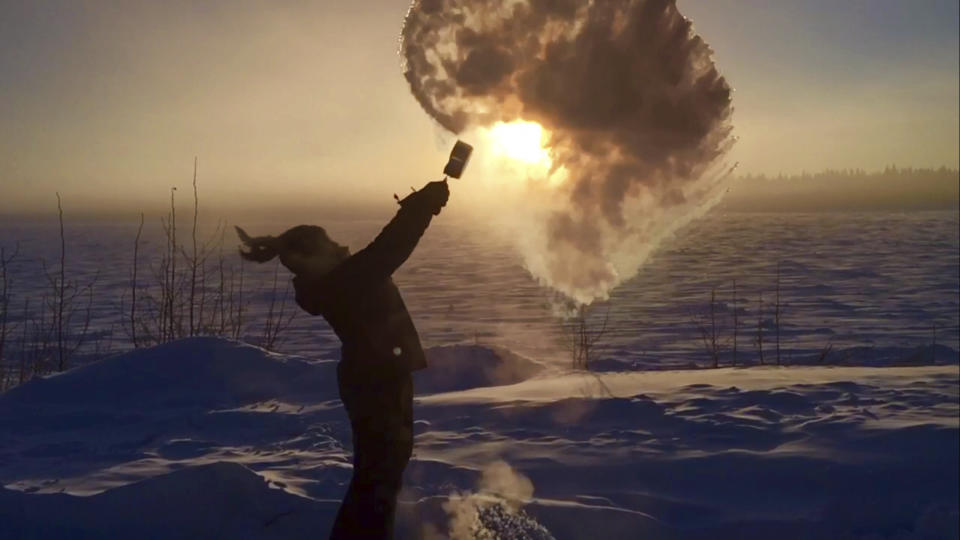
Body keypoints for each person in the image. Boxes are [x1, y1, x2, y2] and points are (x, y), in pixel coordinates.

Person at [236, 179, 450, 539]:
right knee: (377, 484)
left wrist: (418, 207)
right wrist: (419, 207)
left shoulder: (336, 281)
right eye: (329, 244)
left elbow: (380, 254)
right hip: (376, 383)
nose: (339, 245)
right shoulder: (343, 283)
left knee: (379, 479)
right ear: (308, 259)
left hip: (377, 378)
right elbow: (387, 251)